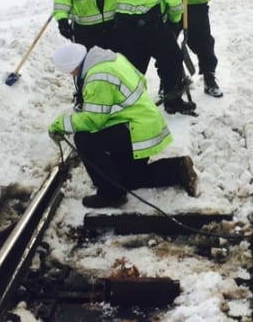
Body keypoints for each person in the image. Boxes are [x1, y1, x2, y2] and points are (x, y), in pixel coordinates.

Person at [48, 42, 199, 208]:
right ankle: (178, 169)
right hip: (144, 123)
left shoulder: (97, 76)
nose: (72, 75)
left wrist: (60, 124)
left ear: (73, 65)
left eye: (70, 71)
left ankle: (111, 194)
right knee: (128, 179)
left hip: (136, 130)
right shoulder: (110, 58)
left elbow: (93, 120)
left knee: (84, 139)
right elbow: (141, 81)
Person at [113, 0, 195, 115]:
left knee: (132, 66)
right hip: (148, 25)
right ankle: (172, 100)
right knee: (172, 58)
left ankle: (125, 102)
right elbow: (175, 4)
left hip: (122, 23)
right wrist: (174, 24)